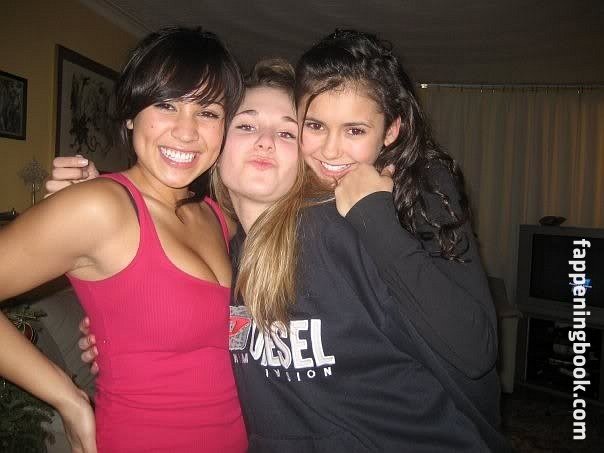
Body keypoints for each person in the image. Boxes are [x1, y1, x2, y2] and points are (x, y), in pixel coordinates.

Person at [49, 30, 509, 452]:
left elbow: (467, 350)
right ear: (216, 145)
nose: (266, 141)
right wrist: (115, 320)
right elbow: (186, 326)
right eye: (246, 125)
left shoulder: (353, 228)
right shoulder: (220, 253)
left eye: (288, 131)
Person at [0, 26, 248, 453]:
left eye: (207, 112)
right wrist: (66, 396)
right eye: (166, 104)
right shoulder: (99, 207)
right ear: (131, 113)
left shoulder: (218, 215)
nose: (186, 132)